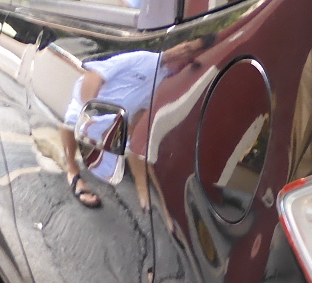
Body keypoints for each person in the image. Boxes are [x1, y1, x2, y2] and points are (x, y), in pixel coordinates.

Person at [61, 36, 213, 209]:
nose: (184, 54)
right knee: (73, 121)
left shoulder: (164, 81)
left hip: (115, 127)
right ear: (179, 44)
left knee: (121, 156)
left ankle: (145, 197)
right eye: (186, 47)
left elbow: (138, 118)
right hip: (92, 110)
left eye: (191, 55)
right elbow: (94, 76)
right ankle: (72, 170)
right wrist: (91, 113)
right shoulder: (141, 58)